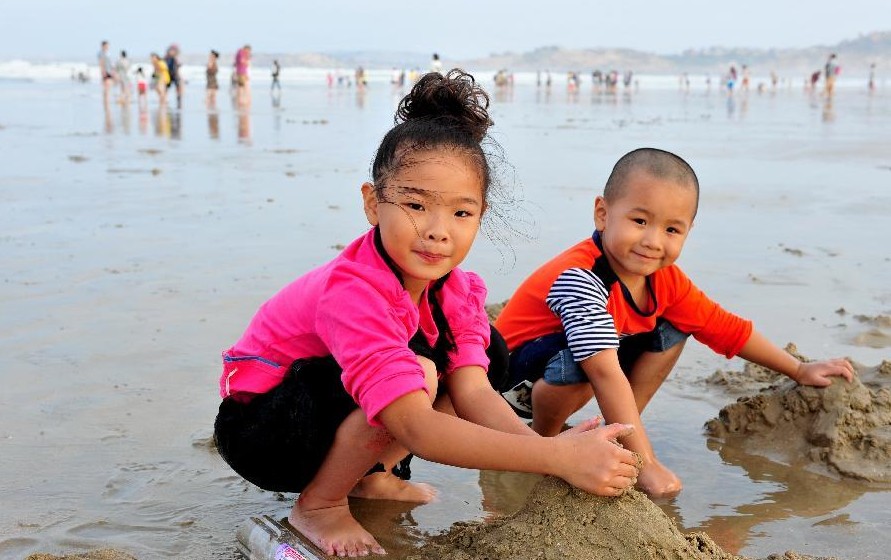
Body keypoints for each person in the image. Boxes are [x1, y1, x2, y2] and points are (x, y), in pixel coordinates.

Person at [213, 70, 639, 557]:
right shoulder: (353, 288)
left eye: (461, 213)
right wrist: (554, 455)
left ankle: (369, 477)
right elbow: (415, 425)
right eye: (416, 204)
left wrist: (545, 453)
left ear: (481, 215)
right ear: (374, 204)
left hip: (327, 402)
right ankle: (321, 504)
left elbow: (474, 392)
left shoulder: (454, 289)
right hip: (263, 426)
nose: (438, 232)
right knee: (417, 374)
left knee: (481, 362)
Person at [493, 147, 855, 499]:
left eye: (671, 230)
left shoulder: (664, 279)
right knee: (586, 359)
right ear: (602, 214)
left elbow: (724, 327)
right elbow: (602, 370)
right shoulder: (580, 276)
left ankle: (620, 432)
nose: (652, 241)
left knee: (676, 327)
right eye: (639, 221)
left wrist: (798, 369)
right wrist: (645, 463)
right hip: (509, 389)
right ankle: (542, 444)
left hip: (566, 370)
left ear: (688, 231)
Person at [165, 44, 183, 108]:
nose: (172, 52)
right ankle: (165, 99)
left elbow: (179, 65)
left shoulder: (176, 58)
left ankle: (179, 98)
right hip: (168, 75)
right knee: (166, 88)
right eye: (171, 50)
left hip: (175, 75)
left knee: (178, 87)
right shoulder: (166, 57)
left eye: (173, 51)